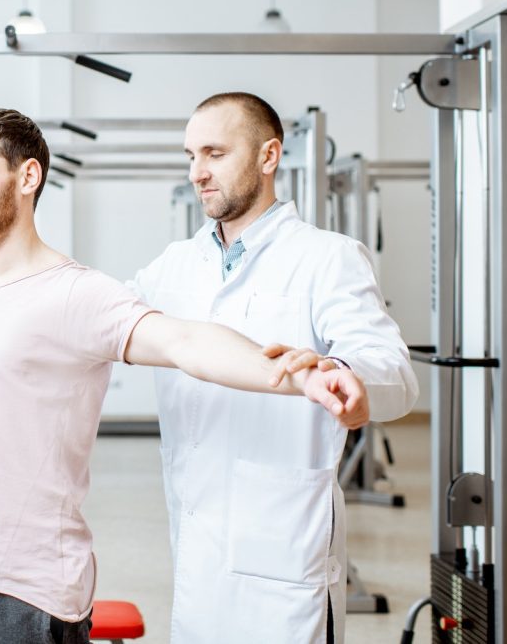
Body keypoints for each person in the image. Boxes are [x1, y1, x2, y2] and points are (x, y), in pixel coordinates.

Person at [0, 108, 368, 644]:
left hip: (31, 598)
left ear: (28, 177)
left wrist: (298, 377)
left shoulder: (78, 293)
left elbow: (184, 340)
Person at [133, 92, 419, 643]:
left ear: (268, 157)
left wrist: (346, 373)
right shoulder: (173, 265)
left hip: (284, 542)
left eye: (214, 153)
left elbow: (395, 373)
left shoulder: (326, 256)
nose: (198, 173)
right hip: (195, 540)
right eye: (191, 156)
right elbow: (98, 319)